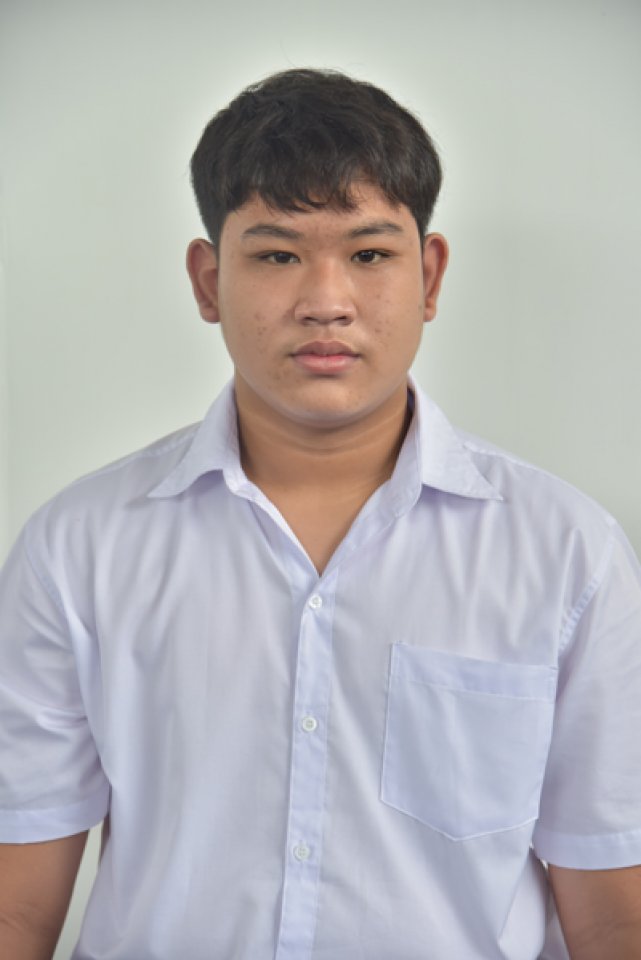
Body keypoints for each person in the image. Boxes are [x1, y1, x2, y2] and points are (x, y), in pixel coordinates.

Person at [1, 68, 640, 960]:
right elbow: (17, 913)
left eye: (369, 255)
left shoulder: (567, 554)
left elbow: (611, 915)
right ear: (207, 281)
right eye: (276, 255)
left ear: (429, 275)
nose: (326, 302)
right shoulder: (79, 548)